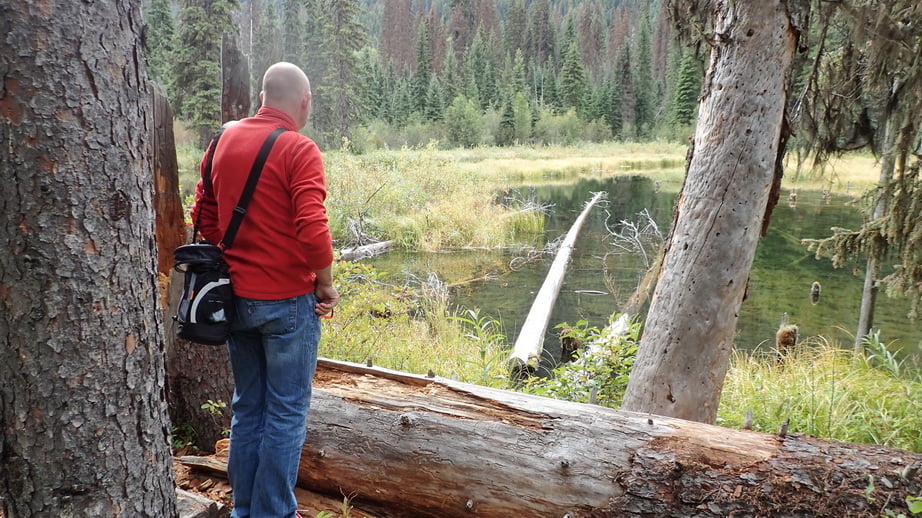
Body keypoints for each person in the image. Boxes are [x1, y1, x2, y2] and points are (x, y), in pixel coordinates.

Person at [191, 61, 339, 518]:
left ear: (262, 98)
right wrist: (325, 284)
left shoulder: (222, 140)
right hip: (288, 304)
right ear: (304, 102)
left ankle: (245, 510)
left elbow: (203, 216)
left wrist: (241, 254)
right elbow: (313, 228)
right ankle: (274, 513)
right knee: (286, 412)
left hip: (236, 300)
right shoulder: (299, 148)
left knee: (248, 408)